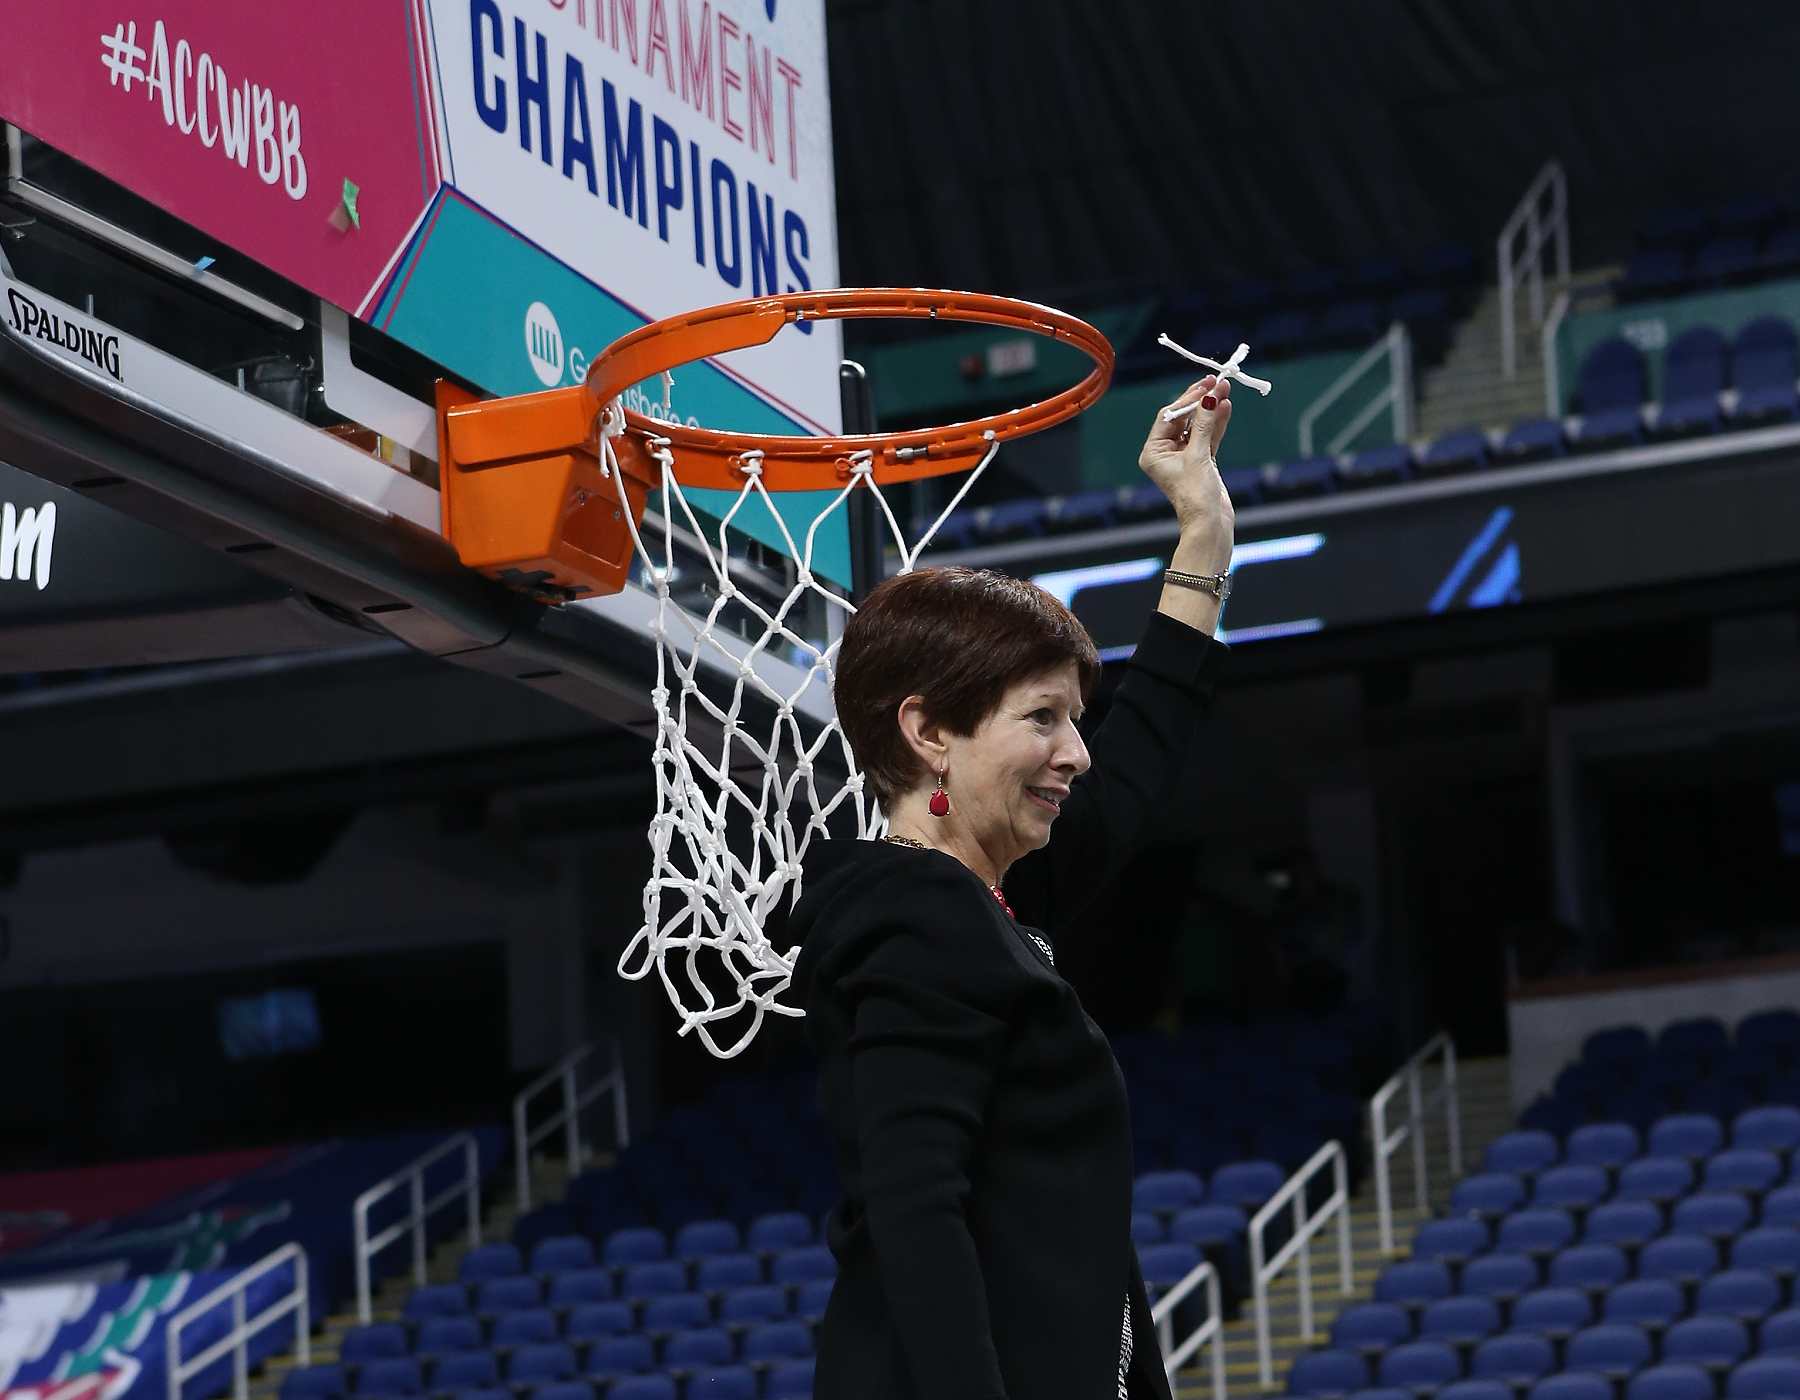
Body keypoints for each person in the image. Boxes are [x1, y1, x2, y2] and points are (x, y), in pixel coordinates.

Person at [788, 371, 1237, 1400]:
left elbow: (1143, 751)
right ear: (929, 731)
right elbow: (917, 1216)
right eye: (1043, 717)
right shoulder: (917, 917)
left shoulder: (990, 902)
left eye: (1075, 717)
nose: (1078, 751)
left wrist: (1203, 526)